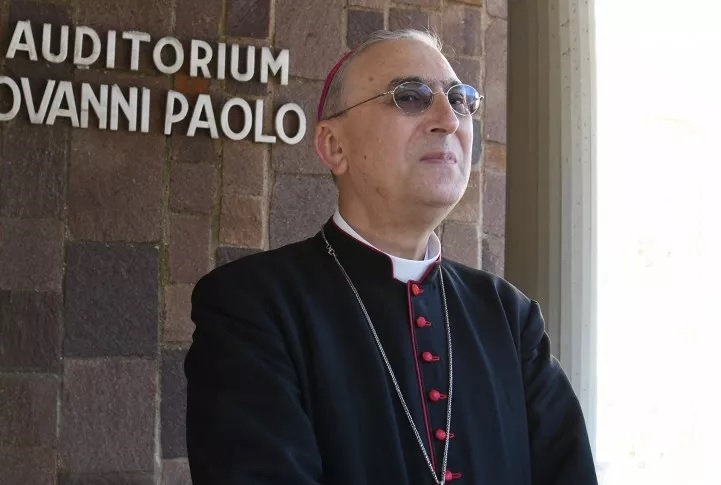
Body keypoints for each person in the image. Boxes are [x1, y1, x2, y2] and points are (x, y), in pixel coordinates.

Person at [184, 29, 598, 485]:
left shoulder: (509, 317)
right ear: (334, 146)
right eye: (410, 96)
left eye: (459, 100)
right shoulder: (251, 306)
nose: (448, 119)